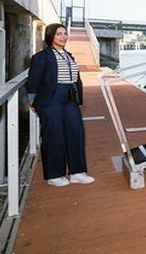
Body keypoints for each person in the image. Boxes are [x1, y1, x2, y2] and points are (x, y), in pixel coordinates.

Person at [26, 23, 95, 187]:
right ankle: (54, 175)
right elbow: (33, 79)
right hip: (51, 98)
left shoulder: (69, 55)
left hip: (70, 98)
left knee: (76, 132)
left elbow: (75, 78)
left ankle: (77, 172)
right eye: (59, 34)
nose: (63, 37)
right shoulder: (42, 56)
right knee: (54, 135)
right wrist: (32, 99)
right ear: (50, 36)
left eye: (65, 34)